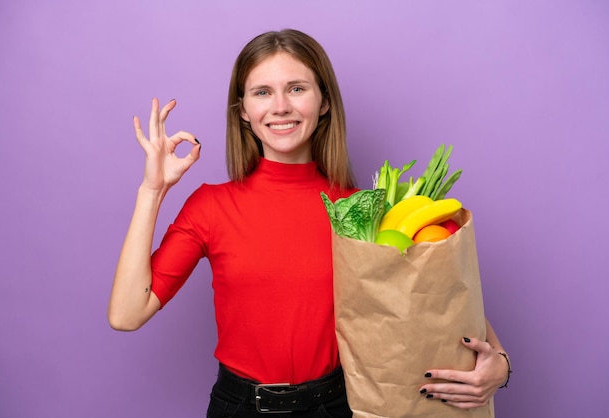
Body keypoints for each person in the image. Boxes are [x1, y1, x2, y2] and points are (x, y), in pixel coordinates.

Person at [108, 29, 510, 417]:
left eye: (296, 88)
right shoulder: (211, 206)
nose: (280, 106)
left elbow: (437, 298)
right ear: (244, 111)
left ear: (324, 103)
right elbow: (127, 314)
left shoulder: (359, 212)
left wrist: (501, 364)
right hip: (240, 409)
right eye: (262, 92)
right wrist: (152, 189)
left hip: (336, 406)